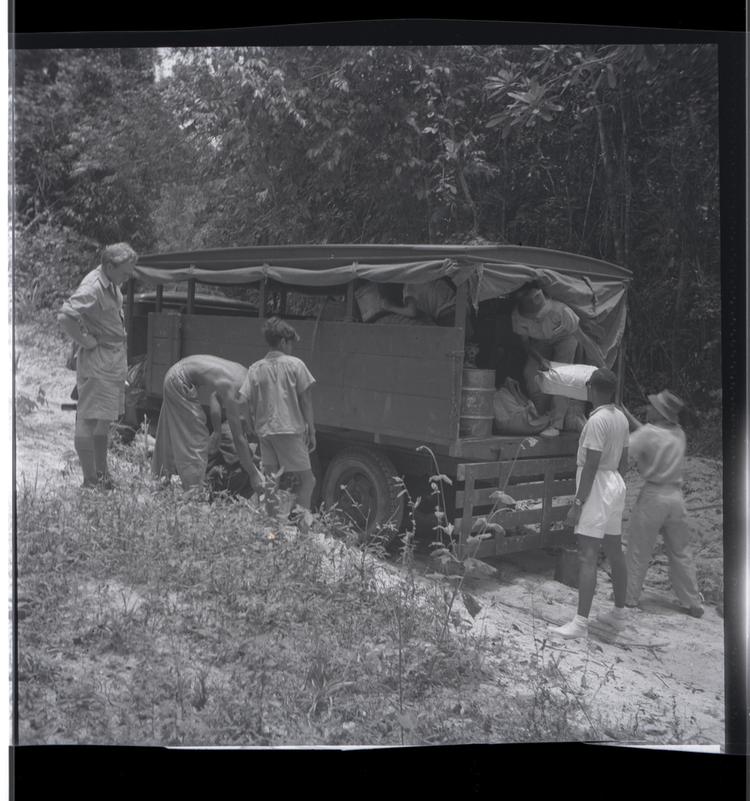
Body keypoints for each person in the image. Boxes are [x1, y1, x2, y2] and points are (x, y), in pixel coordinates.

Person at [551, 368, 630, 640]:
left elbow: (592, 463)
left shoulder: (596, 422)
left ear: (591, 390)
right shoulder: (620, 417)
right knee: (614, 549)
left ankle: (579, 623)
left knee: (587, 554)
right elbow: (624, 461)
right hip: (615, 483)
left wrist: (577, 502)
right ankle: (619, 614)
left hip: (597, 485)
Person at [58, 242, 138, 489]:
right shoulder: (93, 286)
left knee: (103, 419)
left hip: (113, 360)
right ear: (109, 266)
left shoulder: (112, 282)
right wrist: (84, 340)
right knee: (88, 419)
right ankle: (90, 481)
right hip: (98, 360)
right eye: (125, 271)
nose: (128, 276)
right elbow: (66, 315)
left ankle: (102, 476)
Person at [621, 390, 704, 618]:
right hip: (676, 499)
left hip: (653, 497)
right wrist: (628, 415)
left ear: (658, 412)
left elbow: (630, 446)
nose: (647, 408)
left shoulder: (648, 434)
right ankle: (692, 601)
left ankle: (629, 596)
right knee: (681, 551)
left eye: (651, 406)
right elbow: (652, 436)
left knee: (639, 548)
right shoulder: (678, 433)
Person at [151, 355, 264, 493]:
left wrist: (217, 431)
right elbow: (238, 438)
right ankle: (193, 494)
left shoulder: (243, 376)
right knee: (195, 440)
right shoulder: (234, 391)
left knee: (172, 433)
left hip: (175, 374)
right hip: (178, 380)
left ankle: (161, 480)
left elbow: (214, 397)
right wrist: (253, 473)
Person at [511, 281, 607, 438]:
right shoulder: (518, 317)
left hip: (565, 339)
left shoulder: (562, 311)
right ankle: (542, 416)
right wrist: (540, 359)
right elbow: (526, 344)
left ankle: (556, 424)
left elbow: (583, 340)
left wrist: (602, 365)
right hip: (540, 342)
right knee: (530, 372)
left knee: (560, 375)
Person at [240, 317, 317, 512]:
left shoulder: (255, 368)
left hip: (265, 433)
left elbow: (242, 400)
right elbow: (306, 400)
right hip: (289, 430)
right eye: (291, 344)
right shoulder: (296, 365)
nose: (292, 348)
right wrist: (312, 430)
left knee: (271, 481)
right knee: (308, 481)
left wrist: (250, 426)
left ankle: (271, 531)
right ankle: (304, 533)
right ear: (283, 342)